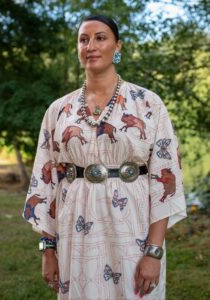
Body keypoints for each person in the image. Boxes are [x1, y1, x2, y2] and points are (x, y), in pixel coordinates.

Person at [23, 14, 187, 300]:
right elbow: (45, 181)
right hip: (76, 229)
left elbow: (165, 178)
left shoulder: (148, 103)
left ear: (118, 46)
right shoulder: (59, 111)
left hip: (132, 229)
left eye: (101, 38)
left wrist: (154, 251)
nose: (91, 46)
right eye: (83, 39)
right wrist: (47, 249)